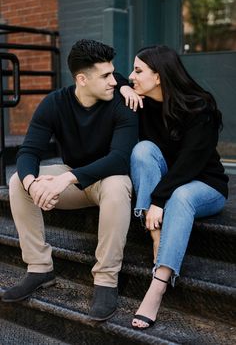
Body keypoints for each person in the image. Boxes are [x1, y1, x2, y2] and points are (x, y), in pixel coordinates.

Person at [1, 39, 138, 321]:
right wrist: (33, 184)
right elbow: (29, 151)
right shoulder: (55, 102)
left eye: (114, 74)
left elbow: (120, 159)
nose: (115, 81)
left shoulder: (123, 102)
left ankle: (106, 280)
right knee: (18, 180)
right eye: (106, 76)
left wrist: (67, 179)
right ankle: (39, 268)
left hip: (105, 183)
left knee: (117, 182)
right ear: (82, 79)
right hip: (75, 181)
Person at [119, 45, 228, 330]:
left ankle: (157, 286)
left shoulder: (200, 107)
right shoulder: (143, 104)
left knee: (180, 196)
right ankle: (157, 236)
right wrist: (122, 89)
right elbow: (114, 77)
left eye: (138, 71)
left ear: (159, 76)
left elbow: (189, 164)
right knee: (142, 151)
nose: (132, 76)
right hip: (168, 182)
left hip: (205, 186)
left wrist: (158, 200)